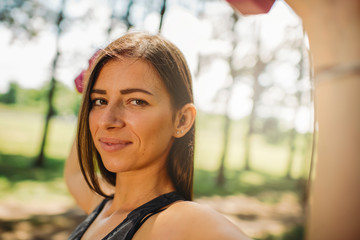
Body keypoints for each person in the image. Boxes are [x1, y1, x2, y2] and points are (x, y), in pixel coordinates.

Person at [65, 32, 250, 240]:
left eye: (136, 101)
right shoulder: (103, 207)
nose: (106, 121)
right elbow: (74, 175)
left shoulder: (185, 222)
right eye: (100, 101)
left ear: (181, 120)